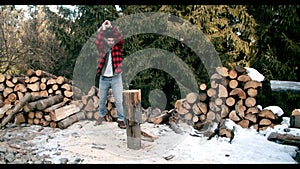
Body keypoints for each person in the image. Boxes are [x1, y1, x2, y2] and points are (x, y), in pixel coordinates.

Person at [94, 20, 126, 129]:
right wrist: (103, 28)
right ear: (106, 40)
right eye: (109, 40)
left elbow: (120, 38)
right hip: (104, 78)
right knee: (102, 99)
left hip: (116, 77)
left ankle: (121, 120)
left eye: (113, 40)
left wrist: (111, 27)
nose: (111, 42)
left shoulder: (118, 48)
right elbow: (97, 42)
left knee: (119, 100)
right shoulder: (102, 48)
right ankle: (101, 116)